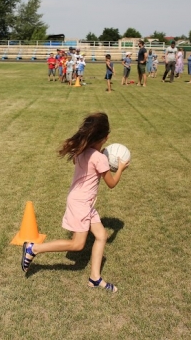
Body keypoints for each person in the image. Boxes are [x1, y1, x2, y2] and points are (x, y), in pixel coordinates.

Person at [21, 112, 129, 293]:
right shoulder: (100, 158)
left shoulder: (81, 151)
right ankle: (34, 249)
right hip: (81, 204)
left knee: (101, 235)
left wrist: (99, 155)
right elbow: (111, 184)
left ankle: (95, 278)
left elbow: (86, 164)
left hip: (82, 202)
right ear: (105, 137)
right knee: (77, 244)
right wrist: (121, 169)